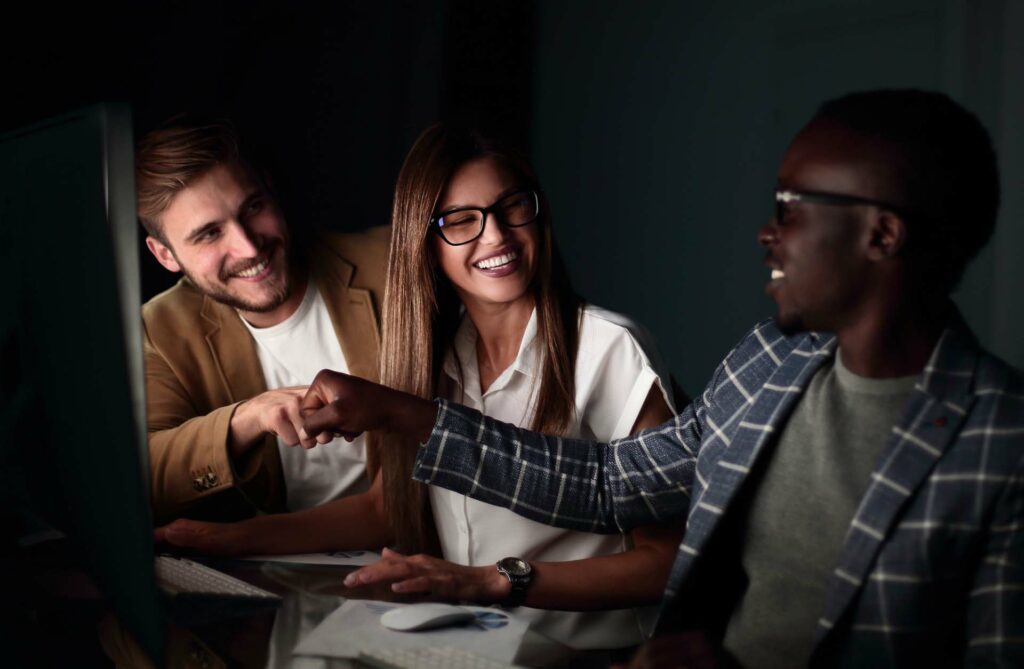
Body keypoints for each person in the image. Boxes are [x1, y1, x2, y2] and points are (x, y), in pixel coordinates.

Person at [300, 90, 1023, 667]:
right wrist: (407, 416)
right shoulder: (770, 362)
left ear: (882, 235)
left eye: (790, 208)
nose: (766, 233)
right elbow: (613, 483)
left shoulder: (1003, 441)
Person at [159, 122, 684, 651]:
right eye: (461, 221)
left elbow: (667, 562)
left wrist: (497, 580)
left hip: (594, 655)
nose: (496, 236)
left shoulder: (609, 347)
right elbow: (383, 508)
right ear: (425, 244)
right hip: (475, 649)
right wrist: (220, 540)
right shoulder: (436, 361)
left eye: (512, 208)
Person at [136, 119, 389, 524]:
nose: (249, 246)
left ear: (270, 189)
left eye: (253, 208)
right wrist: (245, 419)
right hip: (274, 572)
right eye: (209, 234)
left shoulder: (389, 262)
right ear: (164, 255)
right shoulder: (160, 329)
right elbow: (141, 477)